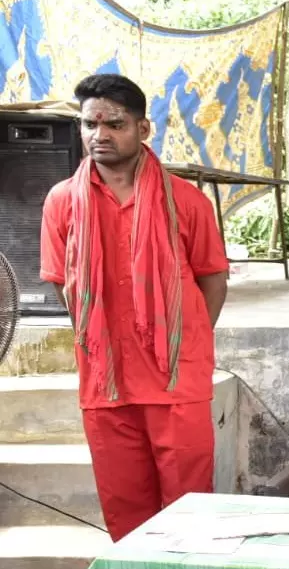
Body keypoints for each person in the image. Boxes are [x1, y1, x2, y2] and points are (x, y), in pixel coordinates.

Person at [39, 73, 229, 542]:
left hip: (175, 380)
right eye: (90, 124)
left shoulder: (186, 201)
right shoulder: (62, 202)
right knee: (125, 511)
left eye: (115, 124)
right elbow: (64, 287)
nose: (100, 135)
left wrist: (182, 340)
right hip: (106, 382)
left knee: (189, 508)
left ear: (143, 129)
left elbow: (212, 279)